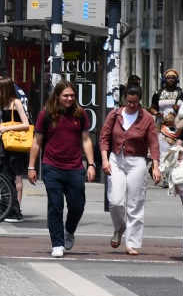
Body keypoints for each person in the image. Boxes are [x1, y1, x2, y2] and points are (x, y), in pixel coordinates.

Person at [28, 80, 96, 258]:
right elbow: (37, 142)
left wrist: (90, 164)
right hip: (52, 167)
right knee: (55, 206)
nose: (69, 98)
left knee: (77, 205)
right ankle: (57, 243)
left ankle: (70, 230)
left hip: (74, 167)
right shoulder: (46, 114)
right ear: (57, 96)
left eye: (72, 95)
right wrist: (31, 166)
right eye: (66, 95)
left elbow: (86, 140)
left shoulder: (80, 114)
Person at [100, 84, 161, 256]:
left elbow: (153, 143)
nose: (132, 105)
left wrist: (156, 167)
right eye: (129, 101)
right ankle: (119, 228)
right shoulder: (115, 115)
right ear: (124, 99)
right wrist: (105, 160)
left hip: (137, 161)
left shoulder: (147, 118)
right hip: (116, 159)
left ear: (140, 100)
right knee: (115, 201)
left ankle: (132, 243)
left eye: (135, 102)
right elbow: (104, 137)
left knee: (135, 203)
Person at [0, 76, 31, 222]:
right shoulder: (2, 103)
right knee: (1, 176)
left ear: (5, 88)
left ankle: (14, 212)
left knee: (9, 178)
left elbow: (26, 124)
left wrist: (7, 128)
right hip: (4, 144)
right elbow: (1, 126)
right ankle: (5, 210)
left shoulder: (16, 103)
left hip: (15, 145)